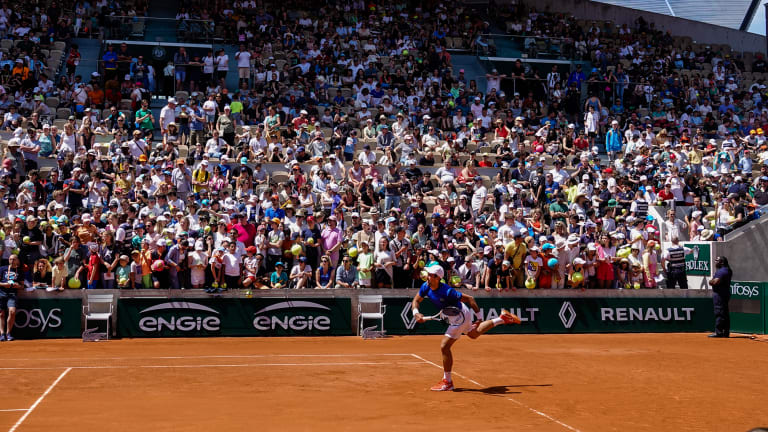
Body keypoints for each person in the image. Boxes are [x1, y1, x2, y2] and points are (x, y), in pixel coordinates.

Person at [410, 265, 521, 391]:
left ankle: (448, 382)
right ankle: (502, 318)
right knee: (473, 334)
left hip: (460, 316)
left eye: (430, 274)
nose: (427, 276)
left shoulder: (447, 291)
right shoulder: (426, 286)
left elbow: (470, 298)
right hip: (457, 314)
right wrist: (416, 313)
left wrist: (479, 318)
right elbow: (416, 301)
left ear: (437, 278)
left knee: (445, 346)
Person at [708, 256, 732, 338]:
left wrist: (710, 281)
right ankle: (726, 332)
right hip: (725, 293)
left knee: (719, 313)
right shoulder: (727, 270)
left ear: (722, 262)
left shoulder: (721, 271)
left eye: (717, 260)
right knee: (725, 313)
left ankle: (719, 332)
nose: (715, 262)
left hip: (719, 295)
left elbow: (715, 282)